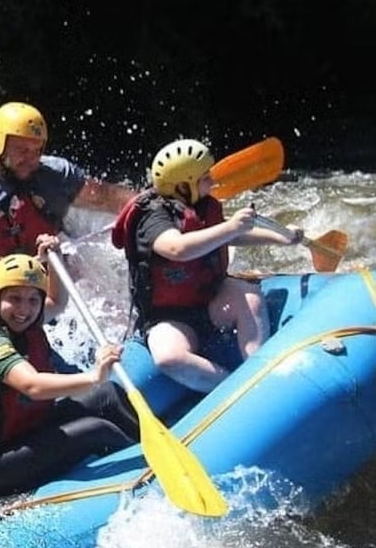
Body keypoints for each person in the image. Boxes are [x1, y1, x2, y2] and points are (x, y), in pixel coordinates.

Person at [0, 250, 140, 501]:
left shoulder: (22, 323)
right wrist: (94, 376)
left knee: (107, 395)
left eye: (33, 300)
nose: (25, 309)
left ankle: (150, 449)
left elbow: (58, 300)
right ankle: (144, 482)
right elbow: (32, 385)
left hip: (22, 432)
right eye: (15, 298)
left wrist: (52, 262)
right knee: (96, 430)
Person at [111, 138, 304, 393]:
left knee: (250, 297)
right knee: (168, 357)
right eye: (205, 177)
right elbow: (176, 248)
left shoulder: (202, 204)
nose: (212, 181)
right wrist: (230, 226)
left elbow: (228, 236)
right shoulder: (152, 216)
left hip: (211, 298)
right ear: (183, 185)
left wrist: (282, 238)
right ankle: (233, 390)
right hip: (169, 316)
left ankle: (259, 373)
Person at [0, 101, 136, 306]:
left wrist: (150, 203)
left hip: (39, 286)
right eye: (22, 150)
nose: (31, 159)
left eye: (37, 150)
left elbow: (105, 197)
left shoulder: (56, 175)